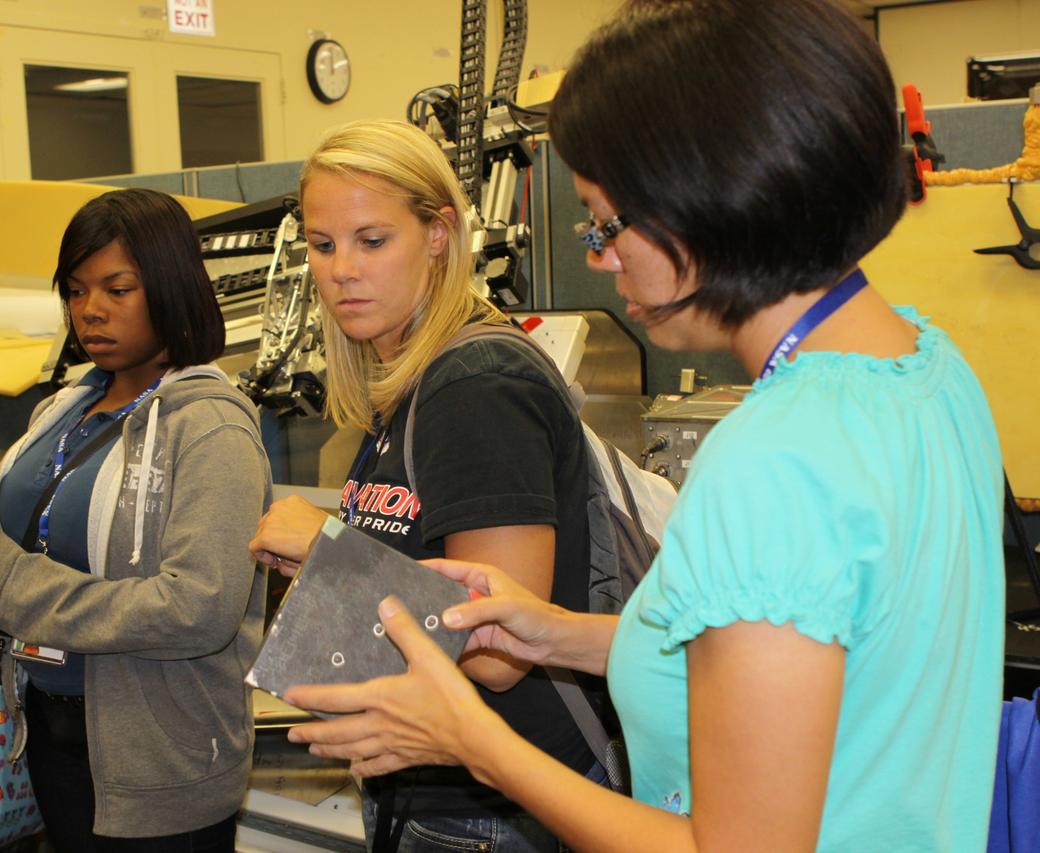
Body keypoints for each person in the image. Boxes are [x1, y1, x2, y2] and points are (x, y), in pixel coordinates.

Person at [280, 2, 1006, 851]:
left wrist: (476, 743)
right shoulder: (927, 366)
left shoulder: (772, 459)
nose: (597, 254)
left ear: (708, 197)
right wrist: (558, 630)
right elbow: (808, 655)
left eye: (606, 222)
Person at [247, 119, 600, 852]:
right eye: (322, 244)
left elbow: (501, 651)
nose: (341, 268)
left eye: (372, 241)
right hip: (433, 791)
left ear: (439, 234)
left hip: (492, 806)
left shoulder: (475, 384)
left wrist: (326, 551)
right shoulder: (410, 383)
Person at [0, 187, 271, 852]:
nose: (91, 311)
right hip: (48, 736)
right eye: (76, 291)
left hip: (157, 760)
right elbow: (29, 555)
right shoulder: (63, 410)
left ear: (169, 287)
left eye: (117, 288)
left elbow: (195, 607)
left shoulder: (211, 427)